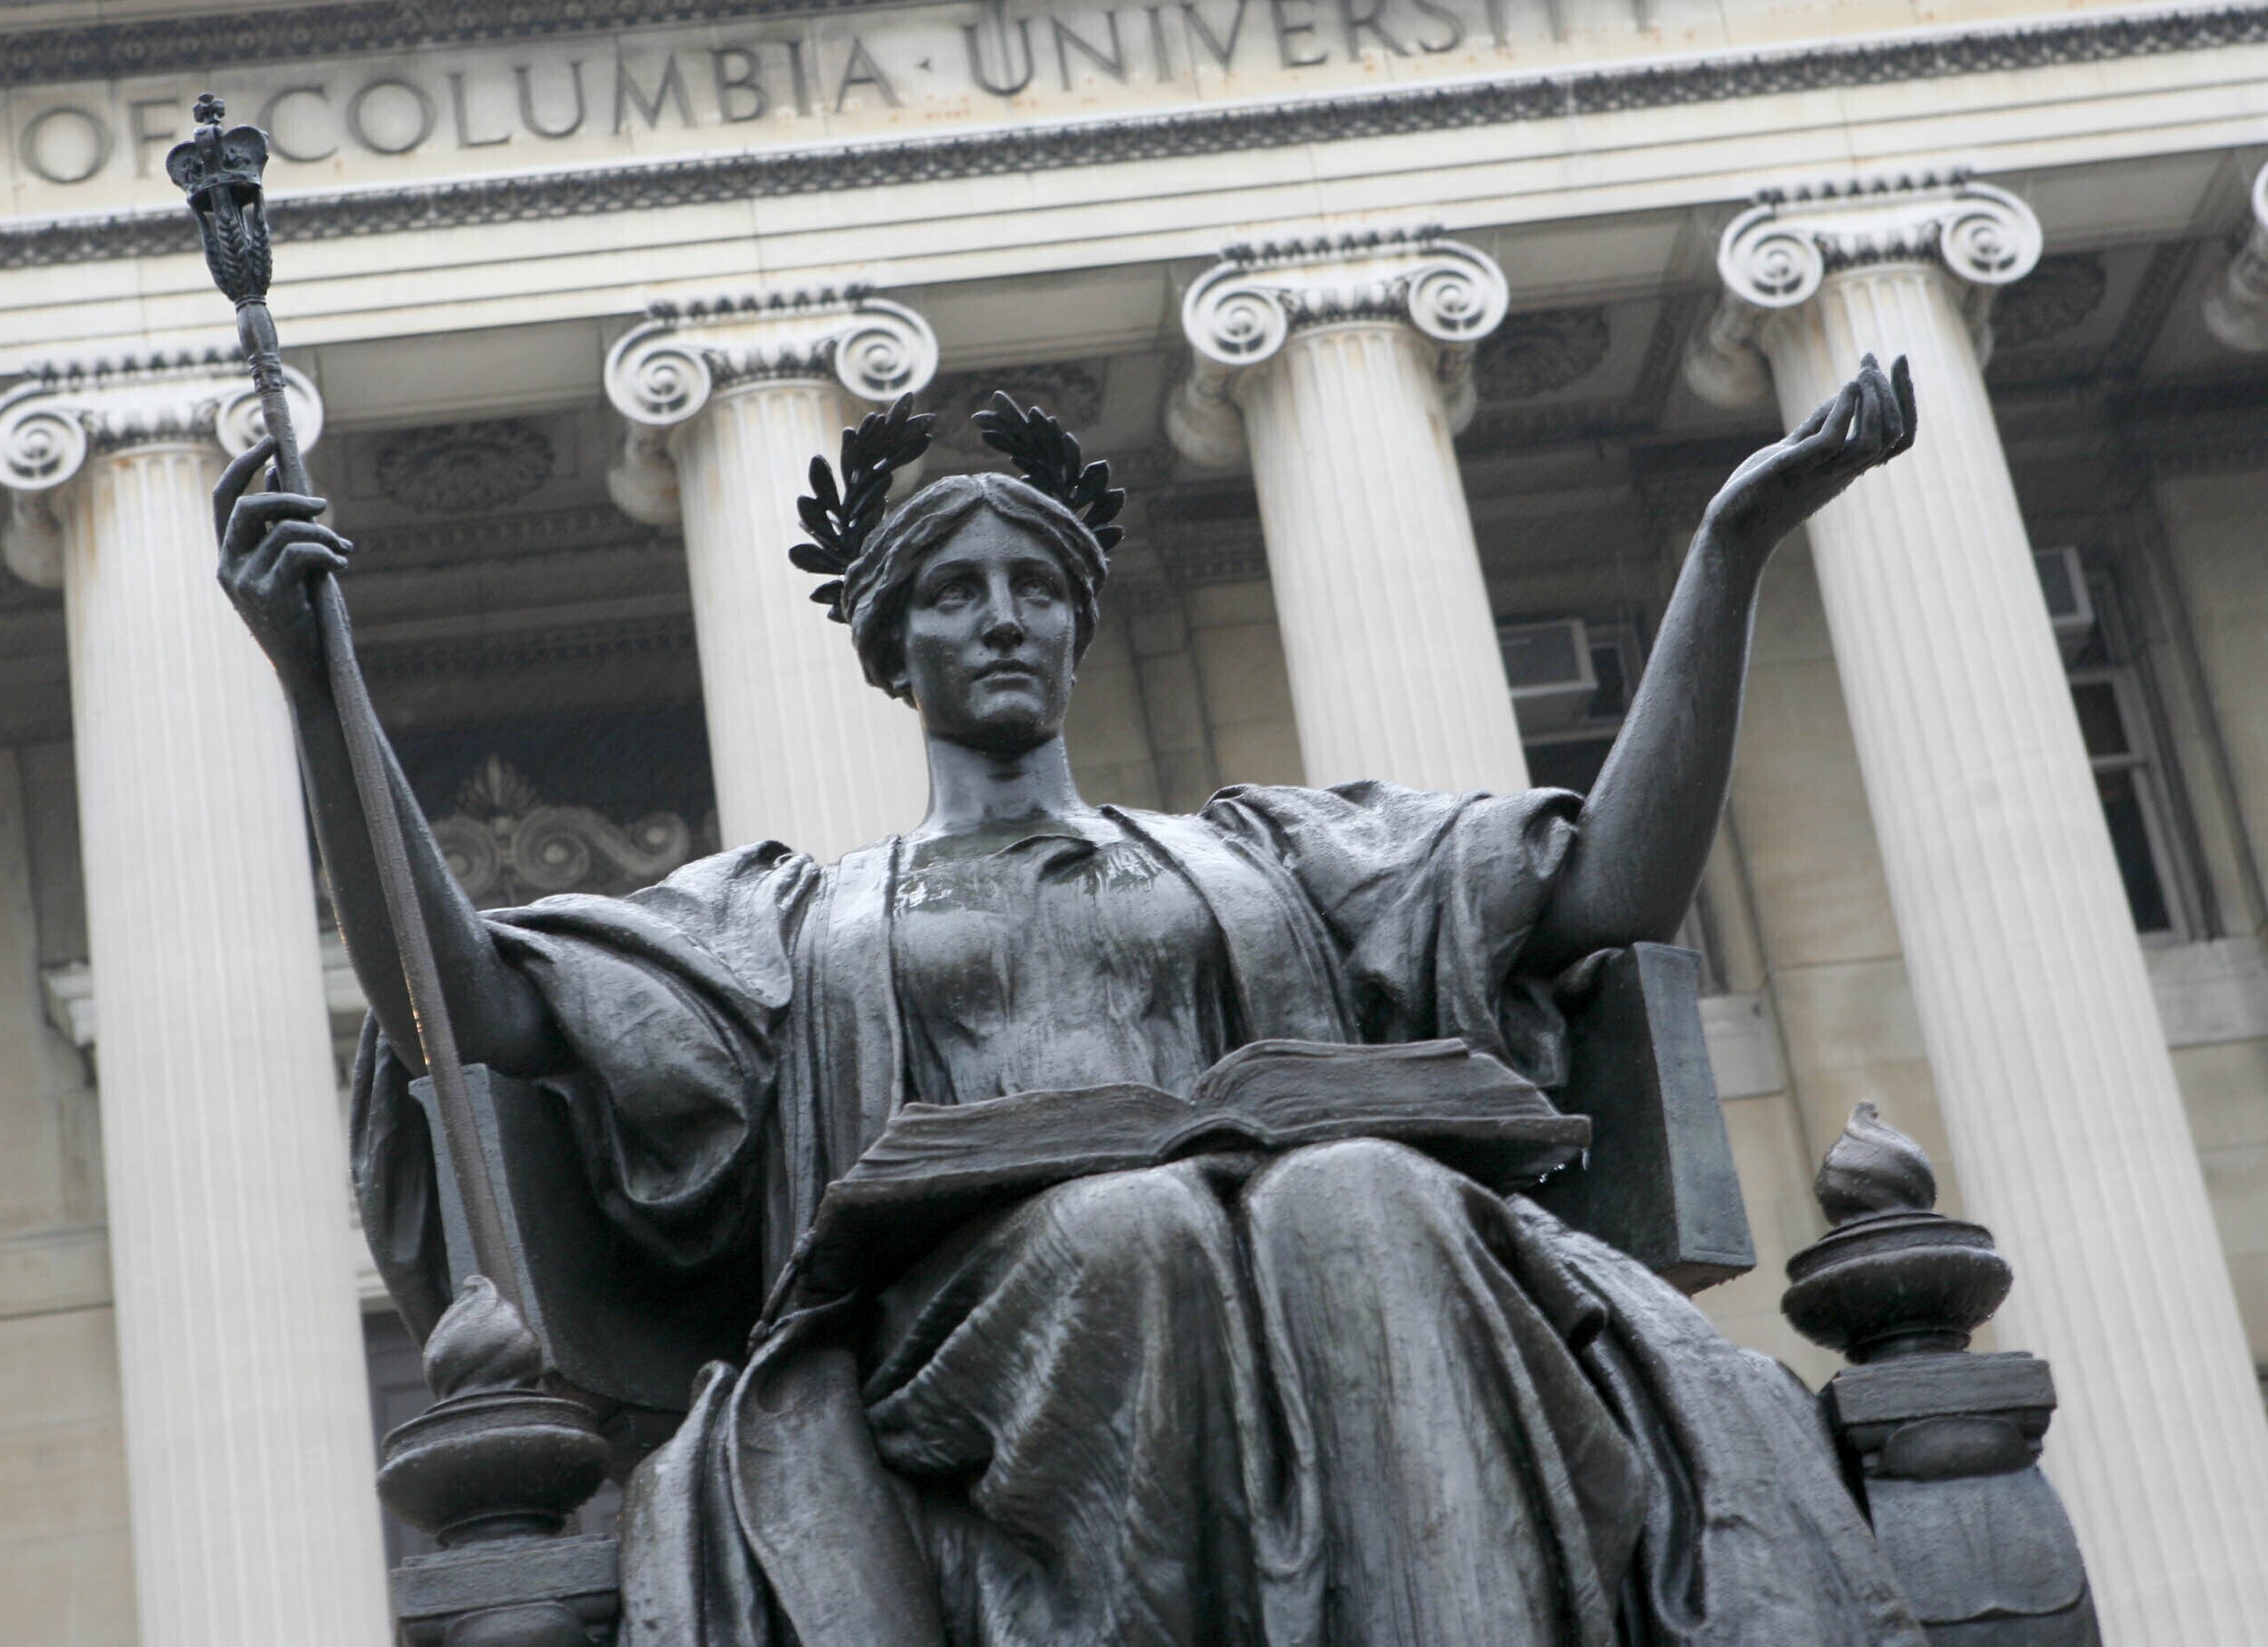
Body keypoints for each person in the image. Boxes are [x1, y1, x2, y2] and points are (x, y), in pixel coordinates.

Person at [218, 357, 1929, 1646]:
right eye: (957, 594)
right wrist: (316, 682)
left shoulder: (1268, 856)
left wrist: (1728, 550)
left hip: (1294, 1247)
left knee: (1370, 1196)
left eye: (1037, 588)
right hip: (960, 1325)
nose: (1005, 618)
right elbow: (465, 999)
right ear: (895, 649)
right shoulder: (793, 920)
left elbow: (1610, 886)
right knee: (1131, 1232)